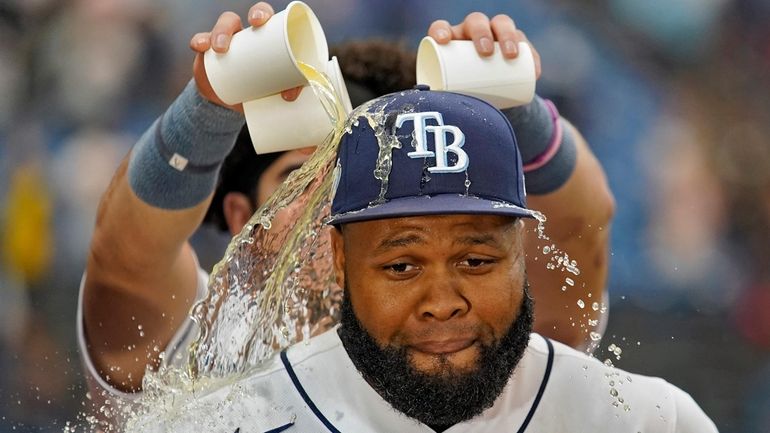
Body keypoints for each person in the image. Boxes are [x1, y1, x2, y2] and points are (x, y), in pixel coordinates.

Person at [78, 0, 613, 417]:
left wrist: (516, 113)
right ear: (245, 219)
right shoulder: (199, 348)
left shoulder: (474, 341)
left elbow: (577, 232)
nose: (341, 202)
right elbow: (124, 260)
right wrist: (207, 110)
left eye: (374, 174)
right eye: (302, 177)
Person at [126, 74, 716, 433]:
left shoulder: (647, 422)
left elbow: (594, 213)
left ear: (522, 249)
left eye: (476, 261)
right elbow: (124, 259)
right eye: (401, 265)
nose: (441, 302)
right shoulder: (231, 422)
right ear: (339, 257)